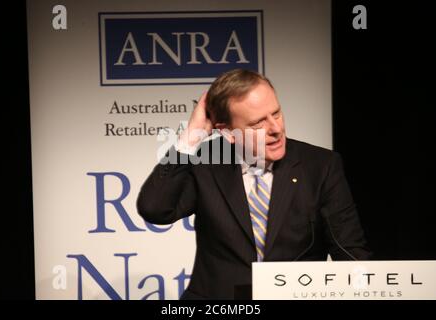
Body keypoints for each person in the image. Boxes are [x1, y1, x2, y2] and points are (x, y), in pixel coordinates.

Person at [137, 69, 372, 300]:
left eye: (277, 113)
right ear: (228, 133)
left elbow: (349, 251)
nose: (276, 129)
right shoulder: (206, 161)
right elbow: (156, 209)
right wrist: (189, 138)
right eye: (258, 123)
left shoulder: (320, 166)